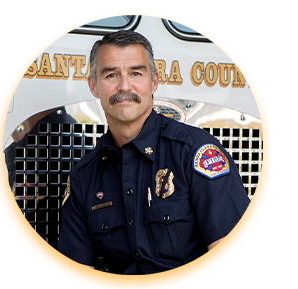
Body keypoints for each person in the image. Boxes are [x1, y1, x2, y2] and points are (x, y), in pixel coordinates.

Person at [58, 30, 250, 274]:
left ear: (154, 82)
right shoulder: (84, 178)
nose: (124, 86)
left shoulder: (195, 153)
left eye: (136, 73)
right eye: (111, 75)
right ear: (94, 86)